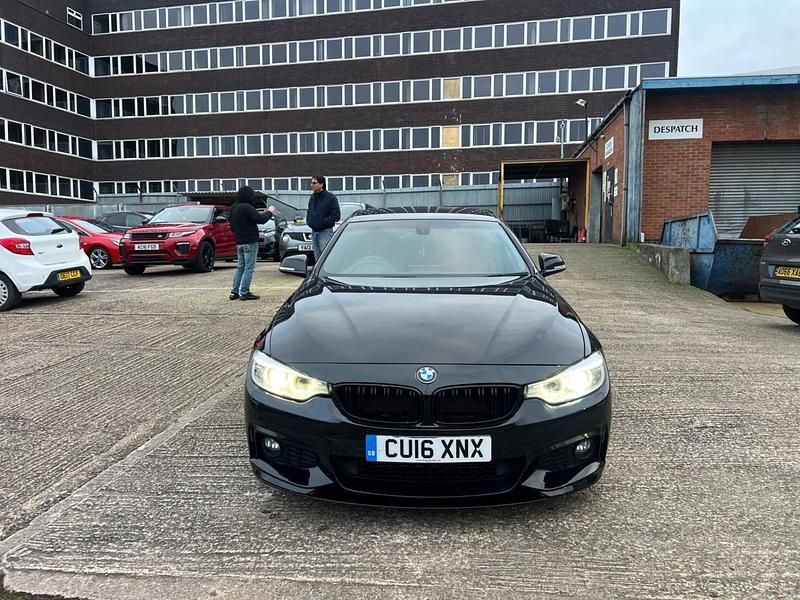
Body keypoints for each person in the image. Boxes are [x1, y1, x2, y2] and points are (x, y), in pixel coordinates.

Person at [229, 186, 275, 301]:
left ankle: (234, 292)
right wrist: (270, 212)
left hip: (239, 242)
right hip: (250, 241)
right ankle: (244, 292)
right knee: (249, 268)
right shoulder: (247, 207)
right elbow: (261, 219)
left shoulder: (233, 208)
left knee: (240, 267)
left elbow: (232, 226)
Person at [306, 175, 340, 261]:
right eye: (311, 183)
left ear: (321, 184)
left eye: (314, 183)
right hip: (314, 232)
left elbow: (336, 216)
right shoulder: (312, 198)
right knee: (318, 260)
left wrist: (322, 222)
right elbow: (309, 211)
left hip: (325, 233)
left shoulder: (331, 198)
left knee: (326, 259)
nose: (311, 185)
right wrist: (309, 221)